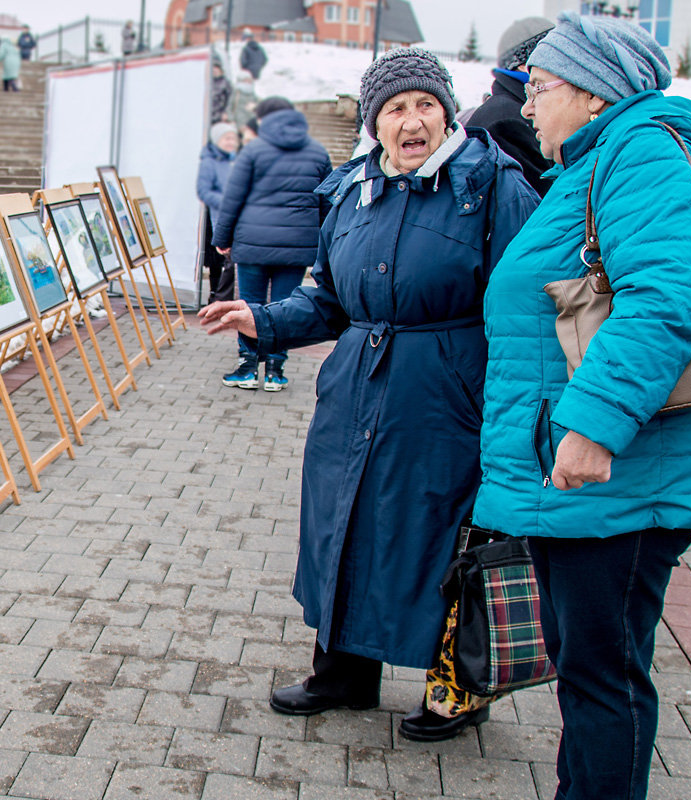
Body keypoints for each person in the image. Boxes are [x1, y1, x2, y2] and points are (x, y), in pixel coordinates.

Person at [199, 48, 539, 739]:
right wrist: (260, 319)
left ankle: (460, 688)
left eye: (425, 105)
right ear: (373, 123)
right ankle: (344, 674)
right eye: (394, 109)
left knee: (441, 536)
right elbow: (327, 300)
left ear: (446, 112)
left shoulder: (494, 184)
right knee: (345, 524)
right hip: (356, 386)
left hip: (447, 392)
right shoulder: (351, 188)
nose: (412, 122)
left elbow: (525, 311)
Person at [474, 13, 691, 798]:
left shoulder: (645, 150)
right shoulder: (600, 160)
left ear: (591, 93)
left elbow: (666, 298)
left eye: (540, 88)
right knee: (589, 673)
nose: (528, 106)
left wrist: (593, 425)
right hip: (589, 476)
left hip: (614, 474)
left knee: (603, 679)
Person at [208, 97, 330, 391]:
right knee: (285, 306)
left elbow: (231, 200)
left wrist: (221, 239)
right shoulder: (318, 152)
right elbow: (327, 203)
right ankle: (275, 370)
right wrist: (324, 243)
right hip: (297, 247)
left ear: (265, 120)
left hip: (253, 244)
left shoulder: (253, 151)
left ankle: (248, 367)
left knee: (249, 304)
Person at [466, 17, 554, 196]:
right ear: (523, 66)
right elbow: (542, 199)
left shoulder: (510, 107)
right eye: (553, 57)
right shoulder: (507, 122)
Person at [197, 122, 240, 304]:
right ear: (217, 140)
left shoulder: (235, 160)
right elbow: (204, 191)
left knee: (229, 259)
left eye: (233, 138)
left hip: (235, 216)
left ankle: (224, 296)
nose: (230, 142)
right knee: (216, 260)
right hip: (215, 217)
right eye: (226, 138)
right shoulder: (209, 162)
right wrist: (227, 202)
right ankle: (215, 295)